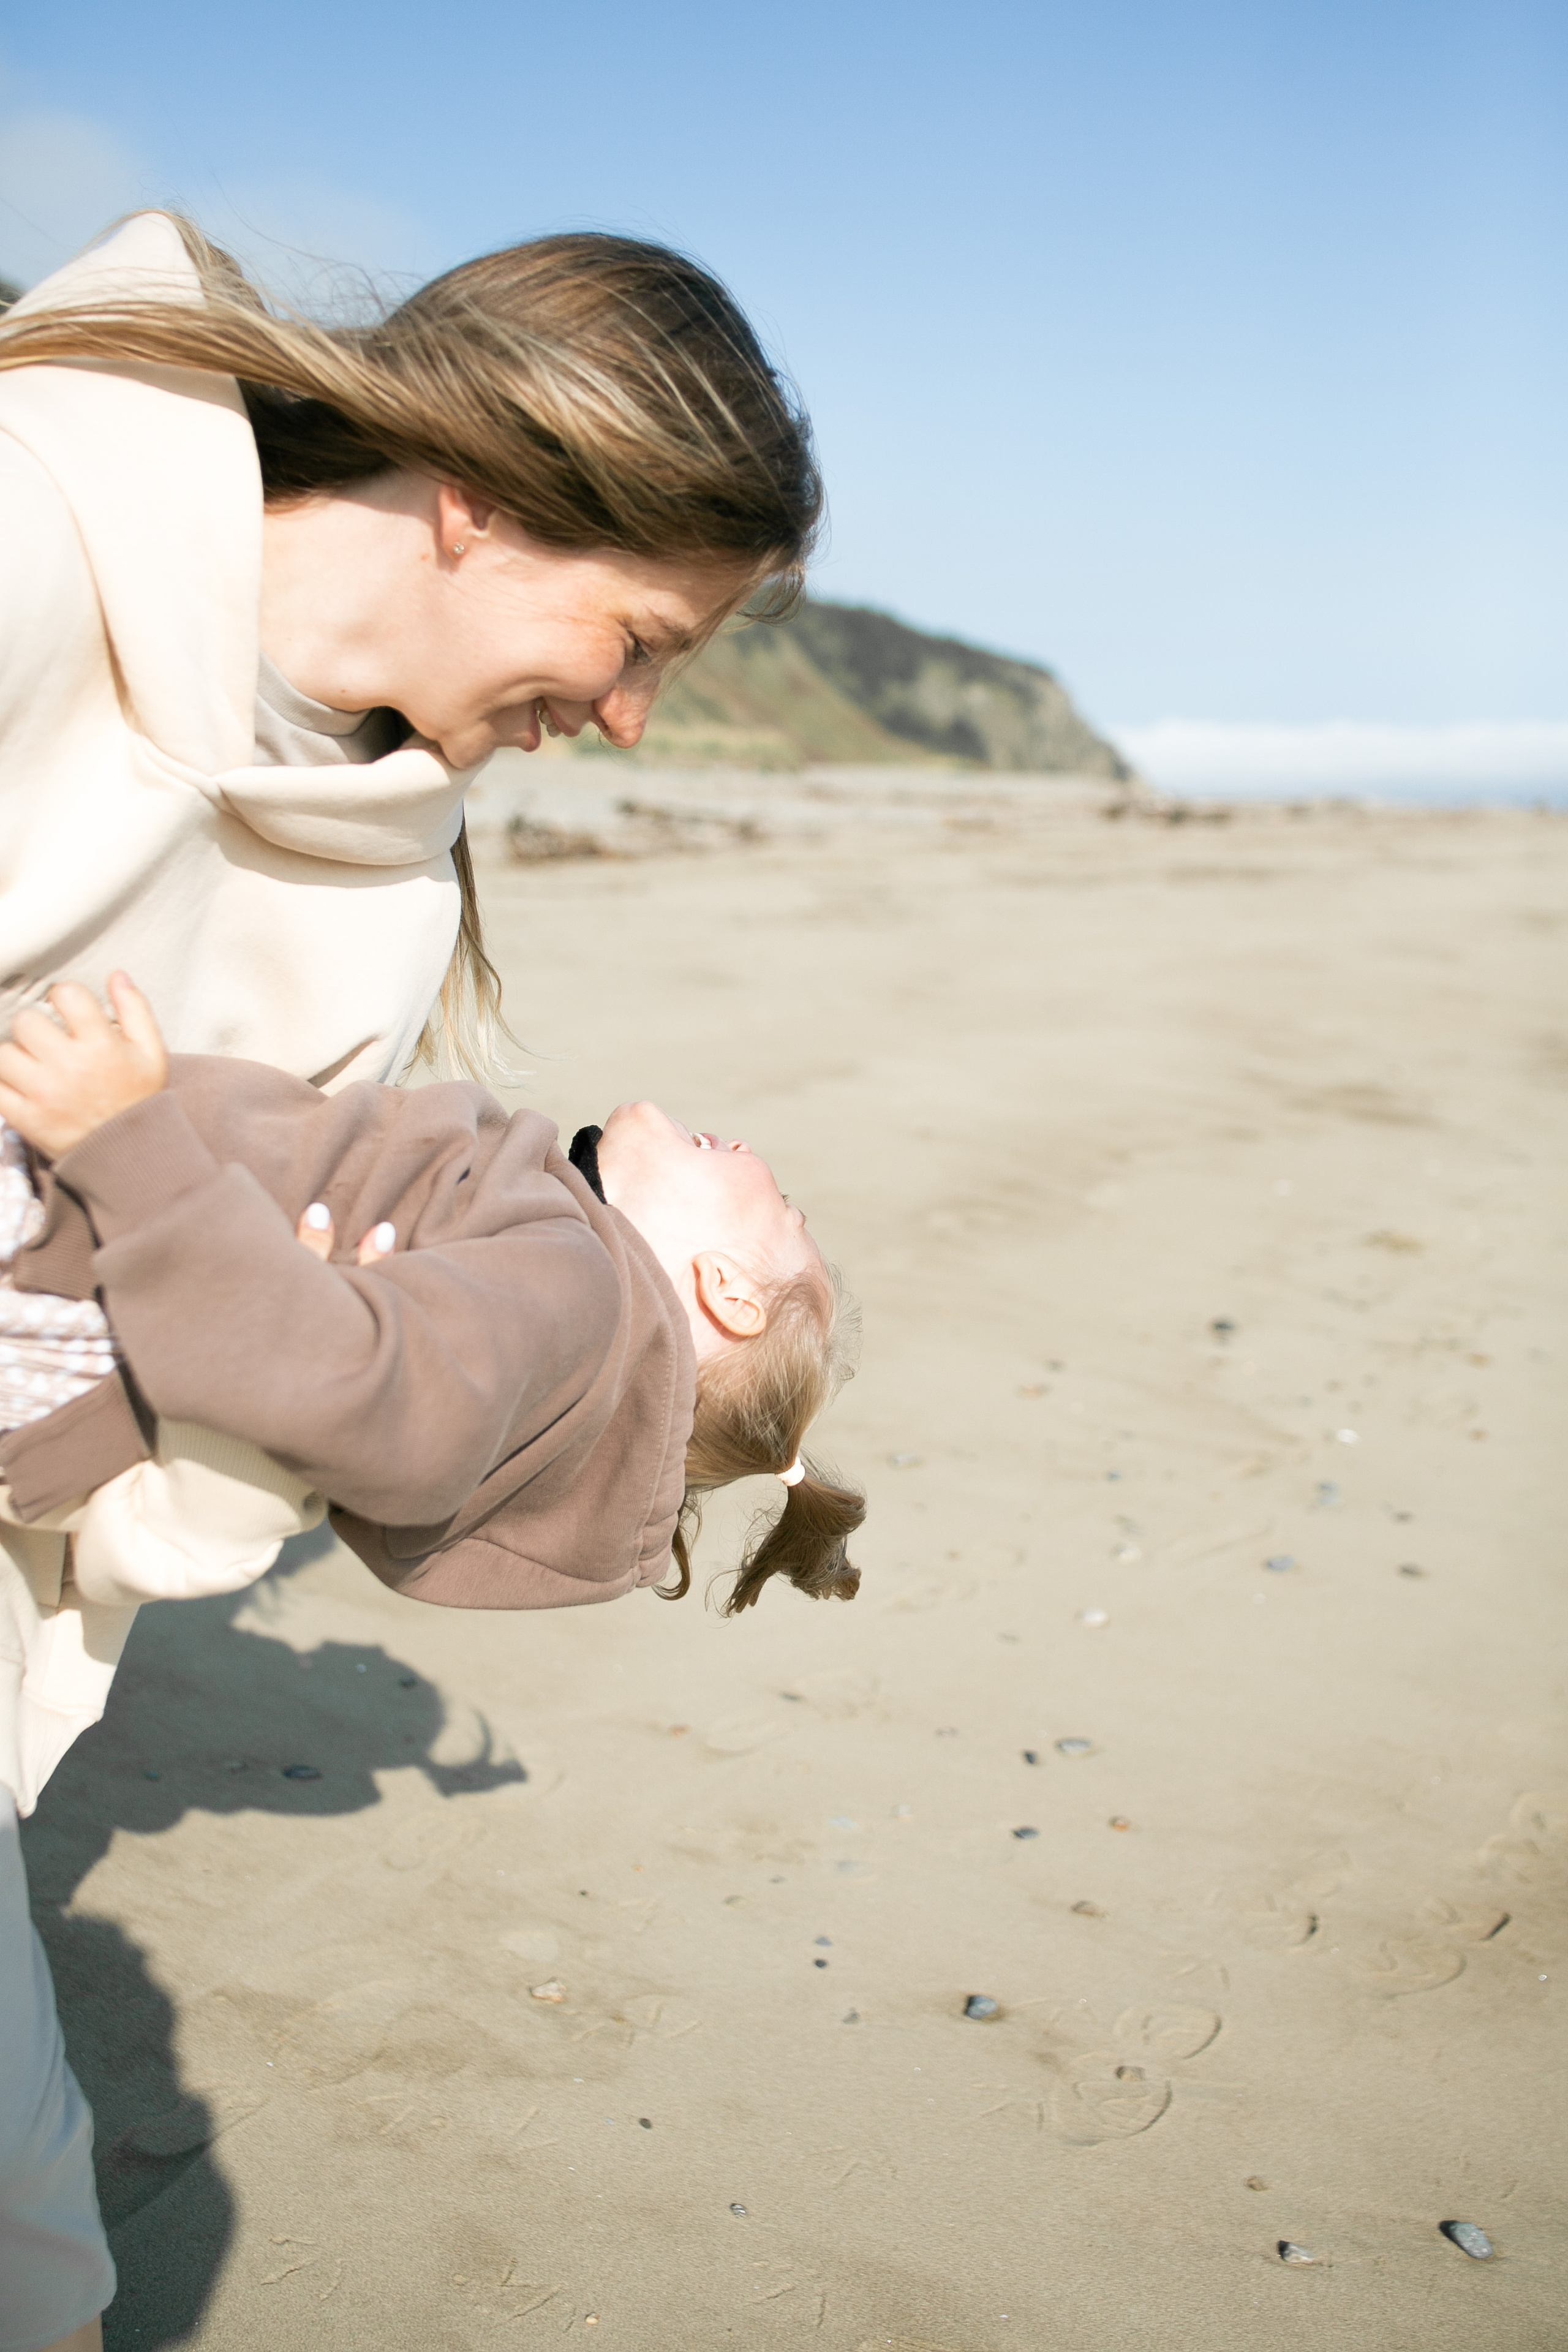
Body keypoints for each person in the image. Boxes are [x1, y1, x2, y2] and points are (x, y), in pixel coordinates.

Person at [0, 209, 820, 2352]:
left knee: (32, 2234)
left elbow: (264, 1359)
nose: (631, 720)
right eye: (639, 637)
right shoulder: (30, 537)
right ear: (484, 495)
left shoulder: (388, 883)